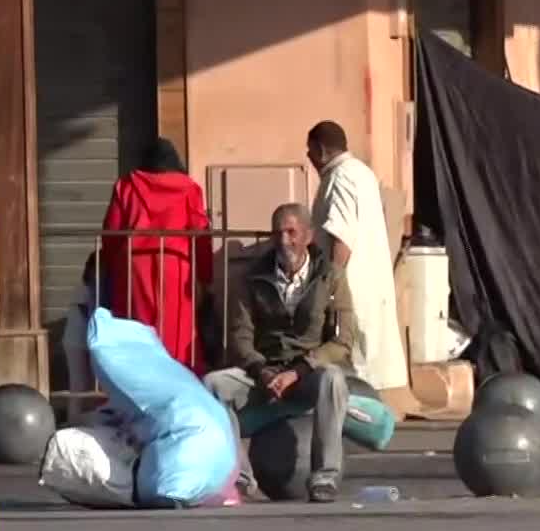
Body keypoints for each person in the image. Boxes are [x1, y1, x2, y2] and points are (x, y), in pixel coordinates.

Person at [207, 203, 355, 503]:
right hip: (265, 370)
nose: (284, 241)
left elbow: (342, 340)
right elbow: (241, 337)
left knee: (334, 379)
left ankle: (325, 476)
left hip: (308, 371)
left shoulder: (331, 277)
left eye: (292, 233)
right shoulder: (252, 278)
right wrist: (262, 370)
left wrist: (299, 369)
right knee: (213, 385)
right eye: (278, 233)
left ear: (308, 236)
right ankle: (242, 478)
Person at [308, 121, 408, 394]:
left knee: (349, 367)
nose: (309, 159)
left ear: (320, 149)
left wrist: (330, 285)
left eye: (310, 152)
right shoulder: (362, 173)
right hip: (369, 284)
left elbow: (342, 237)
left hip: (351, 289)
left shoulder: (340, 177)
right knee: (363, 366)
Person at [99, 138, 213, 372]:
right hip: (176, 265)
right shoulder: (189, 189)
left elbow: (111, 231)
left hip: (134, 268)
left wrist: (111, 266)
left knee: (136, 331)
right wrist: (205, 276)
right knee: (177, 334)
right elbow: (201, 235)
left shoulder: (127, 185)